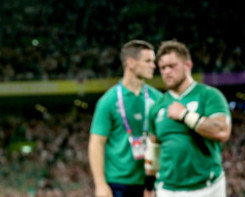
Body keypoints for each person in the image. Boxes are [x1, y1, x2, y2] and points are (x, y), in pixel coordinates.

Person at [145, 40, 231, 196]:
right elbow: (153, 149)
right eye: (163, 68)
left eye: (172, 66)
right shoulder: (157, 107)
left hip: (208, 188)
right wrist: (149, 186)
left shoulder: (208, 95)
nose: (167, 72)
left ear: (188, 65)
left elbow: (222, 131)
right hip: (168, 190)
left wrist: (186, 115)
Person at [89, 39, 162, 197]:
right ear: (131, 63)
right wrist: (100, 184)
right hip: (117, 183)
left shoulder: (157, 99)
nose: (154, 66)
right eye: (148, 61)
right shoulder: (108, 100)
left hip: (150, 182)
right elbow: (96, 142)